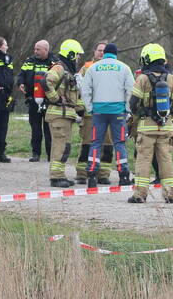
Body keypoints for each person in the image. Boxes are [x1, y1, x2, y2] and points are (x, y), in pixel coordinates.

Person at [127, 43, 173, 204]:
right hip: (165, 128)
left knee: (143, 160)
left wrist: (142, 114)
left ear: (146, 59)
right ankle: (170, 195)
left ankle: (140, 195)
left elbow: (133, 103)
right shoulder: (171, 78)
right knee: (165, 160)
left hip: (146, 128)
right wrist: (167, 117)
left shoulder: (142, 78)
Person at [80, 42, 133, 188]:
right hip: (118, 112)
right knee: (119, 143)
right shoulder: (124, 68)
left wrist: (90, 108)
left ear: (104, 54)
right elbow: (130, 91)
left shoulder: (93, 68)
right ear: (116, 54)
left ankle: (91, 176)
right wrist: (127, 109)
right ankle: (123, 176)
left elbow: (85, 90)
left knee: (96, 143)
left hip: (98, 112)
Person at [42, 39, 85, 187]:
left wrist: (82, 110)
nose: (78, 58)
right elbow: (46, 81)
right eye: (77, 55)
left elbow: (74, 95)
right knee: (60, 146)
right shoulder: (60, 68)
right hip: (58, 115)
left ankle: (60, 175)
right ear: (71, 54)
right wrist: (55, 98)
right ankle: (56, 177)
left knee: (64, 146)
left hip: (66, 115)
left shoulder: (69, 71)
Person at [76, 41, 114, 185]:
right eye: (99, 50)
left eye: (104, 50)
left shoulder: (114, 67)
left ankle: (103, 174)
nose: (101, 53)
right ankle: (82, 173)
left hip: (109, 112)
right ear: (94, 51)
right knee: (87, 143)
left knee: (107, 144)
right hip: (90, 113)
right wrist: (80, 108)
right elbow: (79, 90)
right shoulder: (86, 68)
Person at [16, 39, 53, 162]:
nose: (35, 51)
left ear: (46, 50)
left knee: (49, 130)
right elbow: (21, 74)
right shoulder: (29, 61)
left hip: (49, 101)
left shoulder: (54, 62)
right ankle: (35, 154)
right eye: (35, 49)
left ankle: (50, 155)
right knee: (35, 129)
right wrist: (20, 83)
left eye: (38, 49)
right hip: (33, 100)